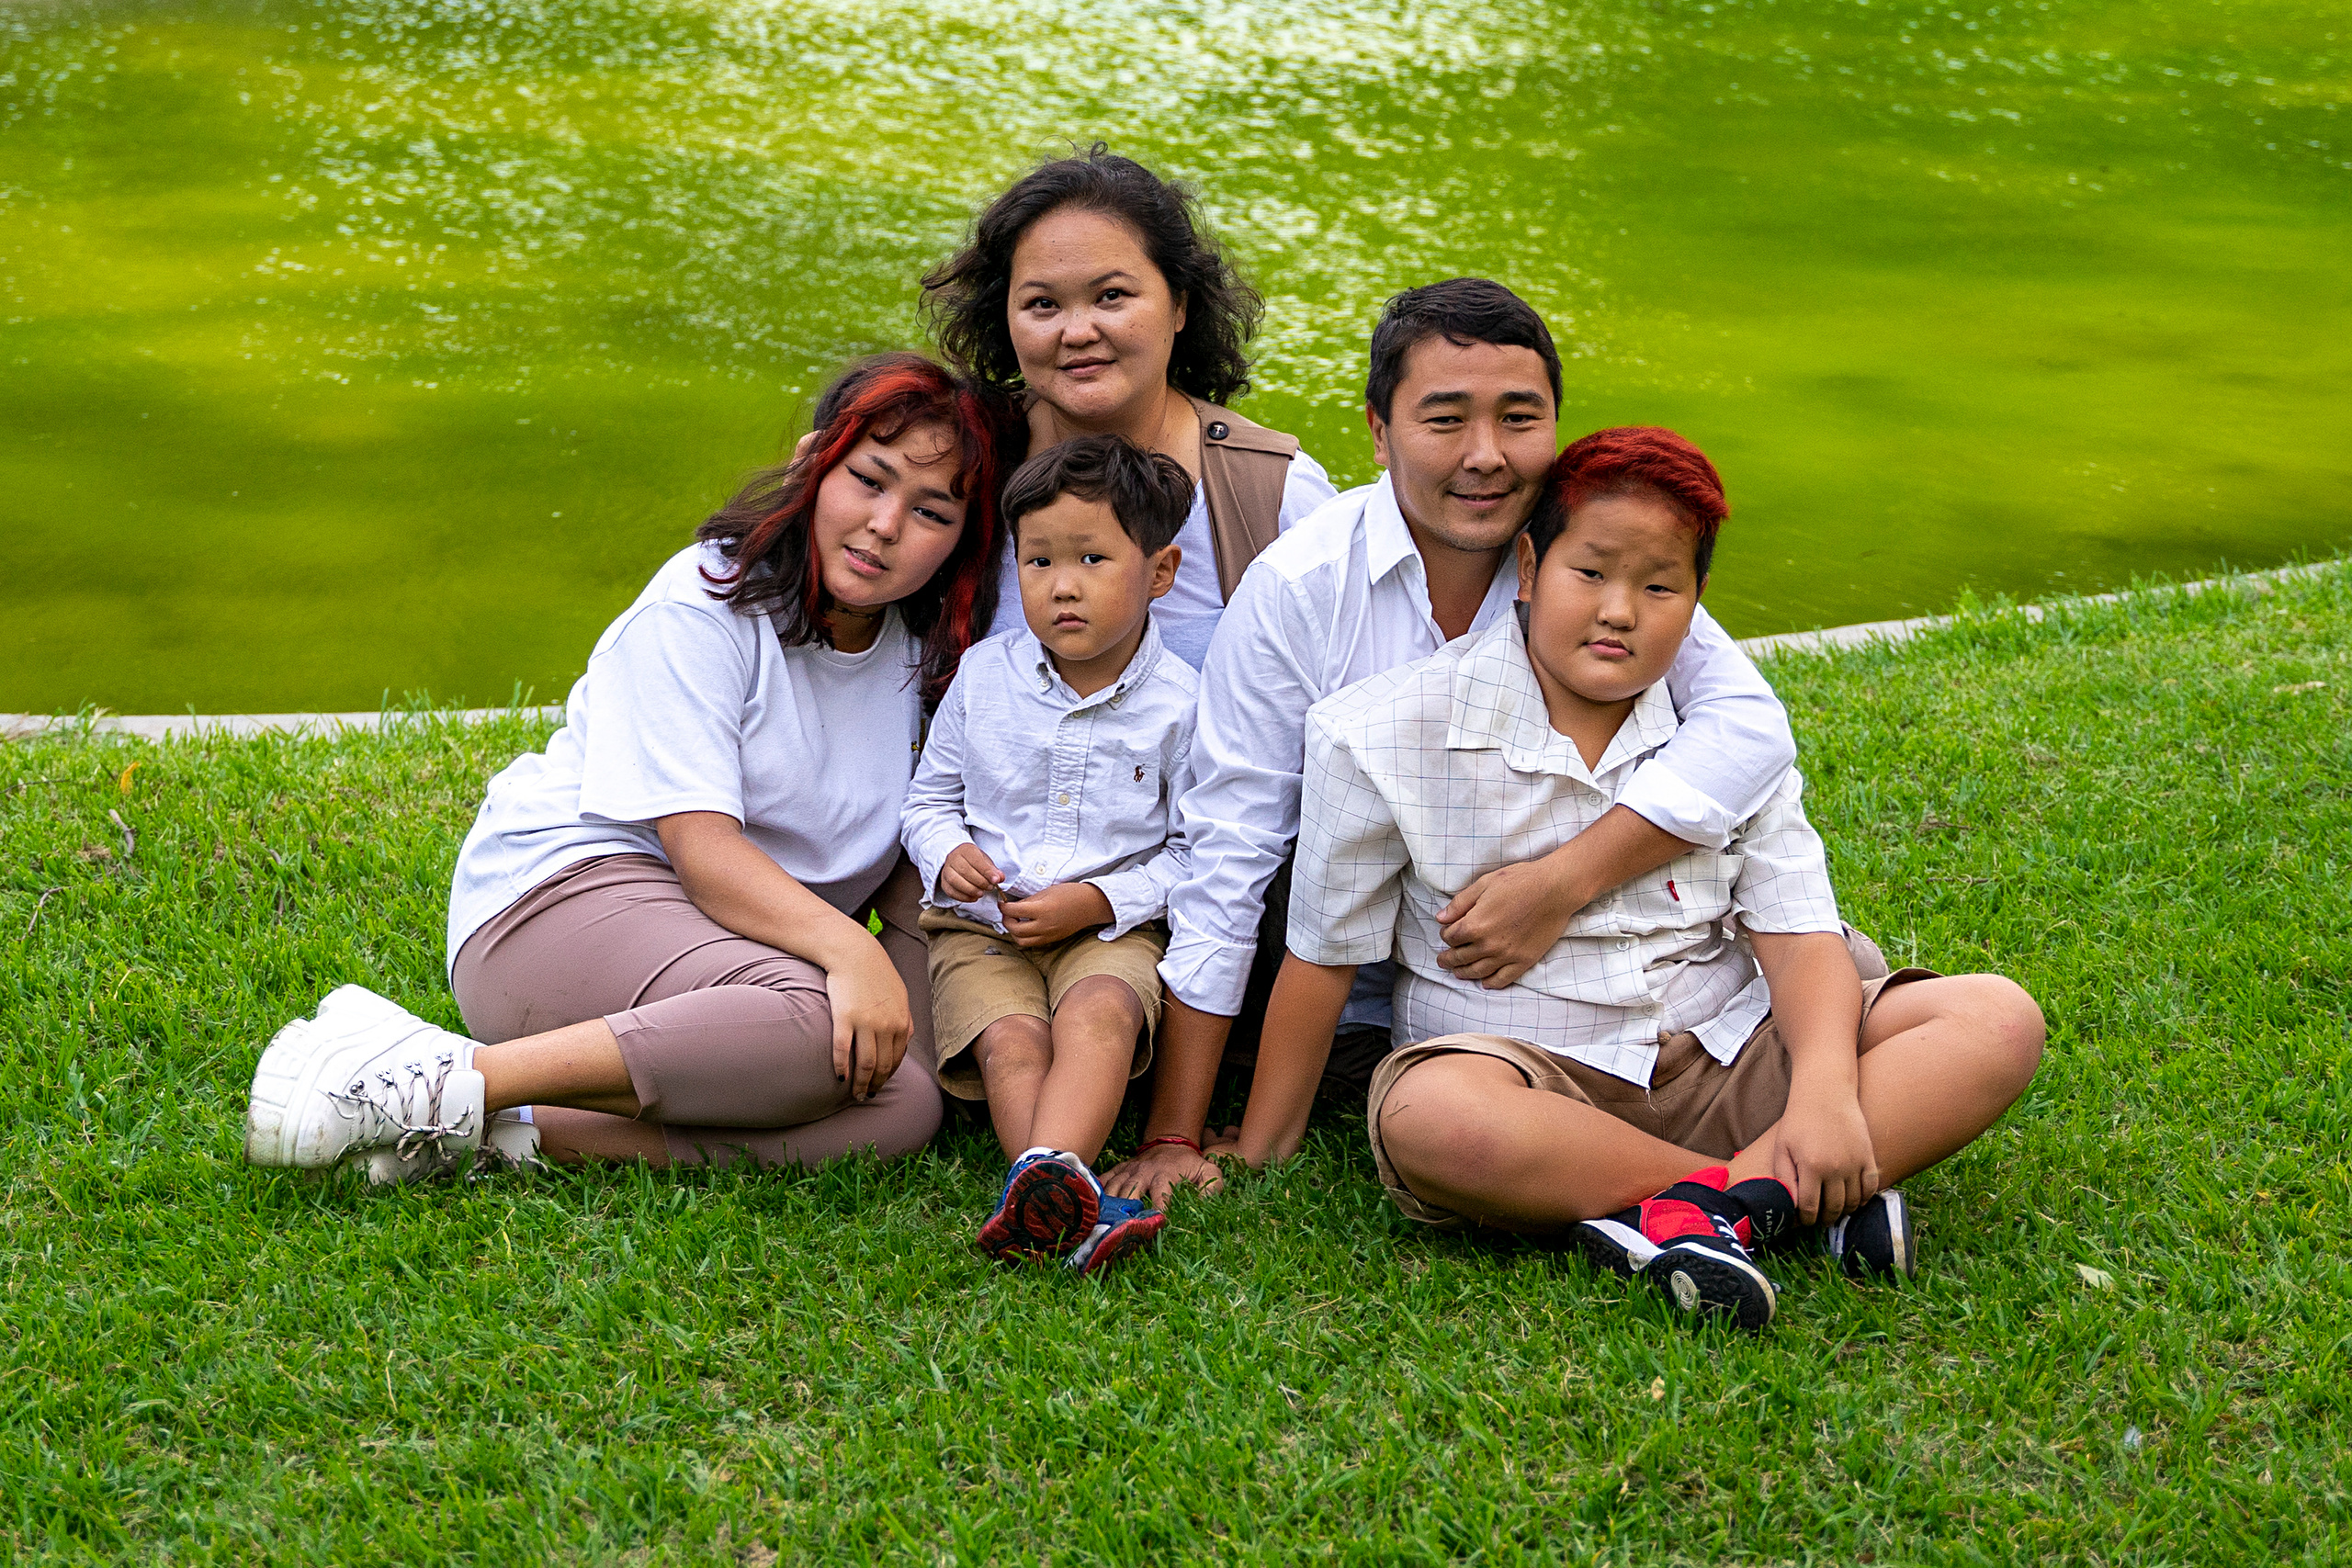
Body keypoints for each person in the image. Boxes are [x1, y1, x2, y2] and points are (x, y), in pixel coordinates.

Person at [1283, 425, 2045, 1328]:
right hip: (1536, 1076)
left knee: (1997, 1019)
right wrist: (1253, 1145)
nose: (1619, 611)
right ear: (1526, 567)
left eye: (1658, 587)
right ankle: (1778, 1196)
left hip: (1724, 1049)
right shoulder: (1380, 731)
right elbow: (1322, 953)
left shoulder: (1724, 728)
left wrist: (1826, 1096)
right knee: (1429, 1120)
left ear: (1697, 601)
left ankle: (1712, 1208)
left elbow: (1798, 929)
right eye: (1591, 574)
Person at [1103, 279, 1802, 1205]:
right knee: (1436, 1114)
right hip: (1398, 1008)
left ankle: (1734, 1170)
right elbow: (1230, 852)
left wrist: (1560, 885)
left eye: (1519, 419)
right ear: (1379, 432)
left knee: (1851, 975)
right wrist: (1175, 1131)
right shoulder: (1302, 589)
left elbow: (1749, 729)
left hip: (1616, 962)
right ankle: (1764, 1188)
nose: (1485, 458)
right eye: (1443, 420)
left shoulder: (1592, 565)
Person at [243, 354, 1023, 1179]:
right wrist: (853, 953)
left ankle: (498, 1131)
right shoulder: (707, 600)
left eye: (930, 511)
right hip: (561, 899)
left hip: (739, 953)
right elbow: (705, 853)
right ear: (811, 463)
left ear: (962, 543)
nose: (885, 524)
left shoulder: (928, 660)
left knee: (902, 1101)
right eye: (868, 479)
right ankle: (436, 1085)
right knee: (812, 1019)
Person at [900, 435, 1198, 1274]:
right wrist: (950, 851)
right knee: (1014, 1042)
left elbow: (1189, 850)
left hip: (1109, 931)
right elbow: (927, 803)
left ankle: (1044, 1200)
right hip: (979, 926)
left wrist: (1098, 903)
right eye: (1038, 562)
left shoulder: (1182, 706)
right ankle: (1074, 1205)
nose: (1062, 584)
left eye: (1093, 558)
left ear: (1161, 572)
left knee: (1101, 1014)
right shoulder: (982, 675)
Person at [923, 144, 1337, 670]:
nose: (1077, 332)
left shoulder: (1276, 498)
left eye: (1111, 296)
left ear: (1180, 303)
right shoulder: (951, 462)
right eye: (1042, 304)